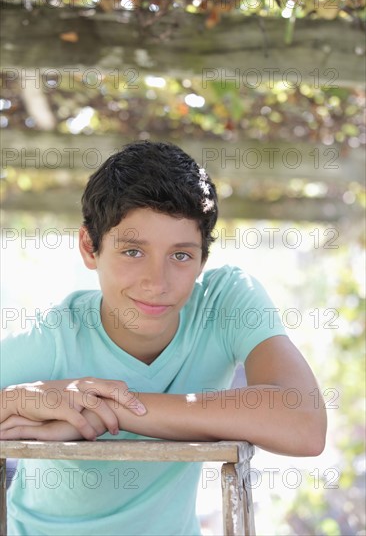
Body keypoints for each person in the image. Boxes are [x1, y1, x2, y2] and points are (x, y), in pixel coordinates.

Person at [0, 140, 327, 536]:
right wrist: (14, 399)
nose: (157, 284)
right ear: (90, 247)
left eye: (181, 256)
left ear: (203, 259)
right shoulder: (55, 337)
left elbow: (304, 422)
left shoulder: (224, 303)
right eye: (133, 252)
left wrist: (112, 409)